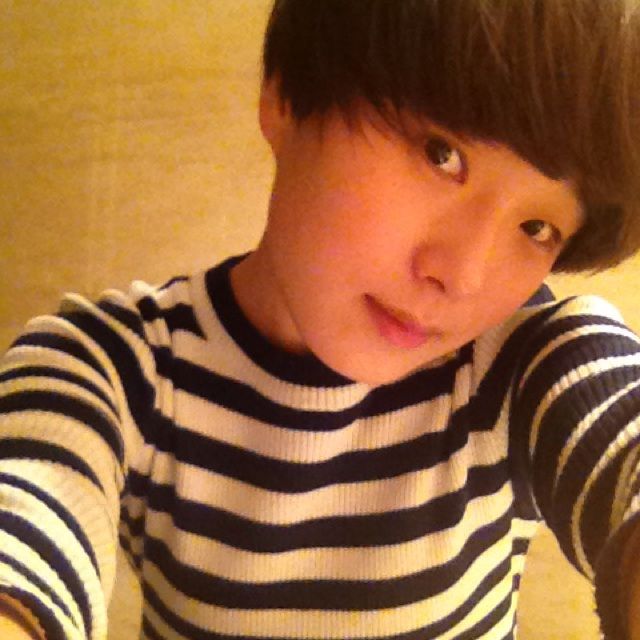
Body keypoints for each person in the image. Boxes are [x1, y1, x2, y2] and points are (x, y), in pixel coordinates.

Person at [1, 1, 640, 638]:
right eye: (441, 154)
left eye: (537, 227)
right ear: (286, 96)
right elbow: (29, 512)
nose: (463, 274)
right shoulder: (116, 367)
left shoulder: (528, 364)